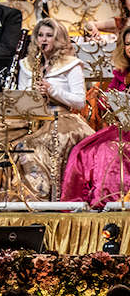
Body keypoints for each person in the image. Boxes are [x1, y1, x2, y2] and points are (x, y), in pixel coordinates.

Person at [0, 18, 94, 203]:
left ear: (58, 39)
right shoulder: (27, 64)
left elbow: (79, 101)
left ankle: (33, 199)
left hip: (61, 117)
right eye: (40, 35)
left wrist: (52, 91)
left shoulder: (71, 64)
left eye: (49, 36)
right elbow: (22, 97)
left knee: (31, 145)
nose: (44, 40)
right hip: (31, 117)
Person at [61, 26, 130, 208]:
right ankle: (78, 204)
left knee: (109, 151)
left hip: (124, 136)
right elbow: (105, 104)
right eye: (127, 44)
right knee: (81, 150)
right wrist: (108, 102)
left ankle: (110, 201)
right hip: (122, 128)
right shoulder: (122, 75)